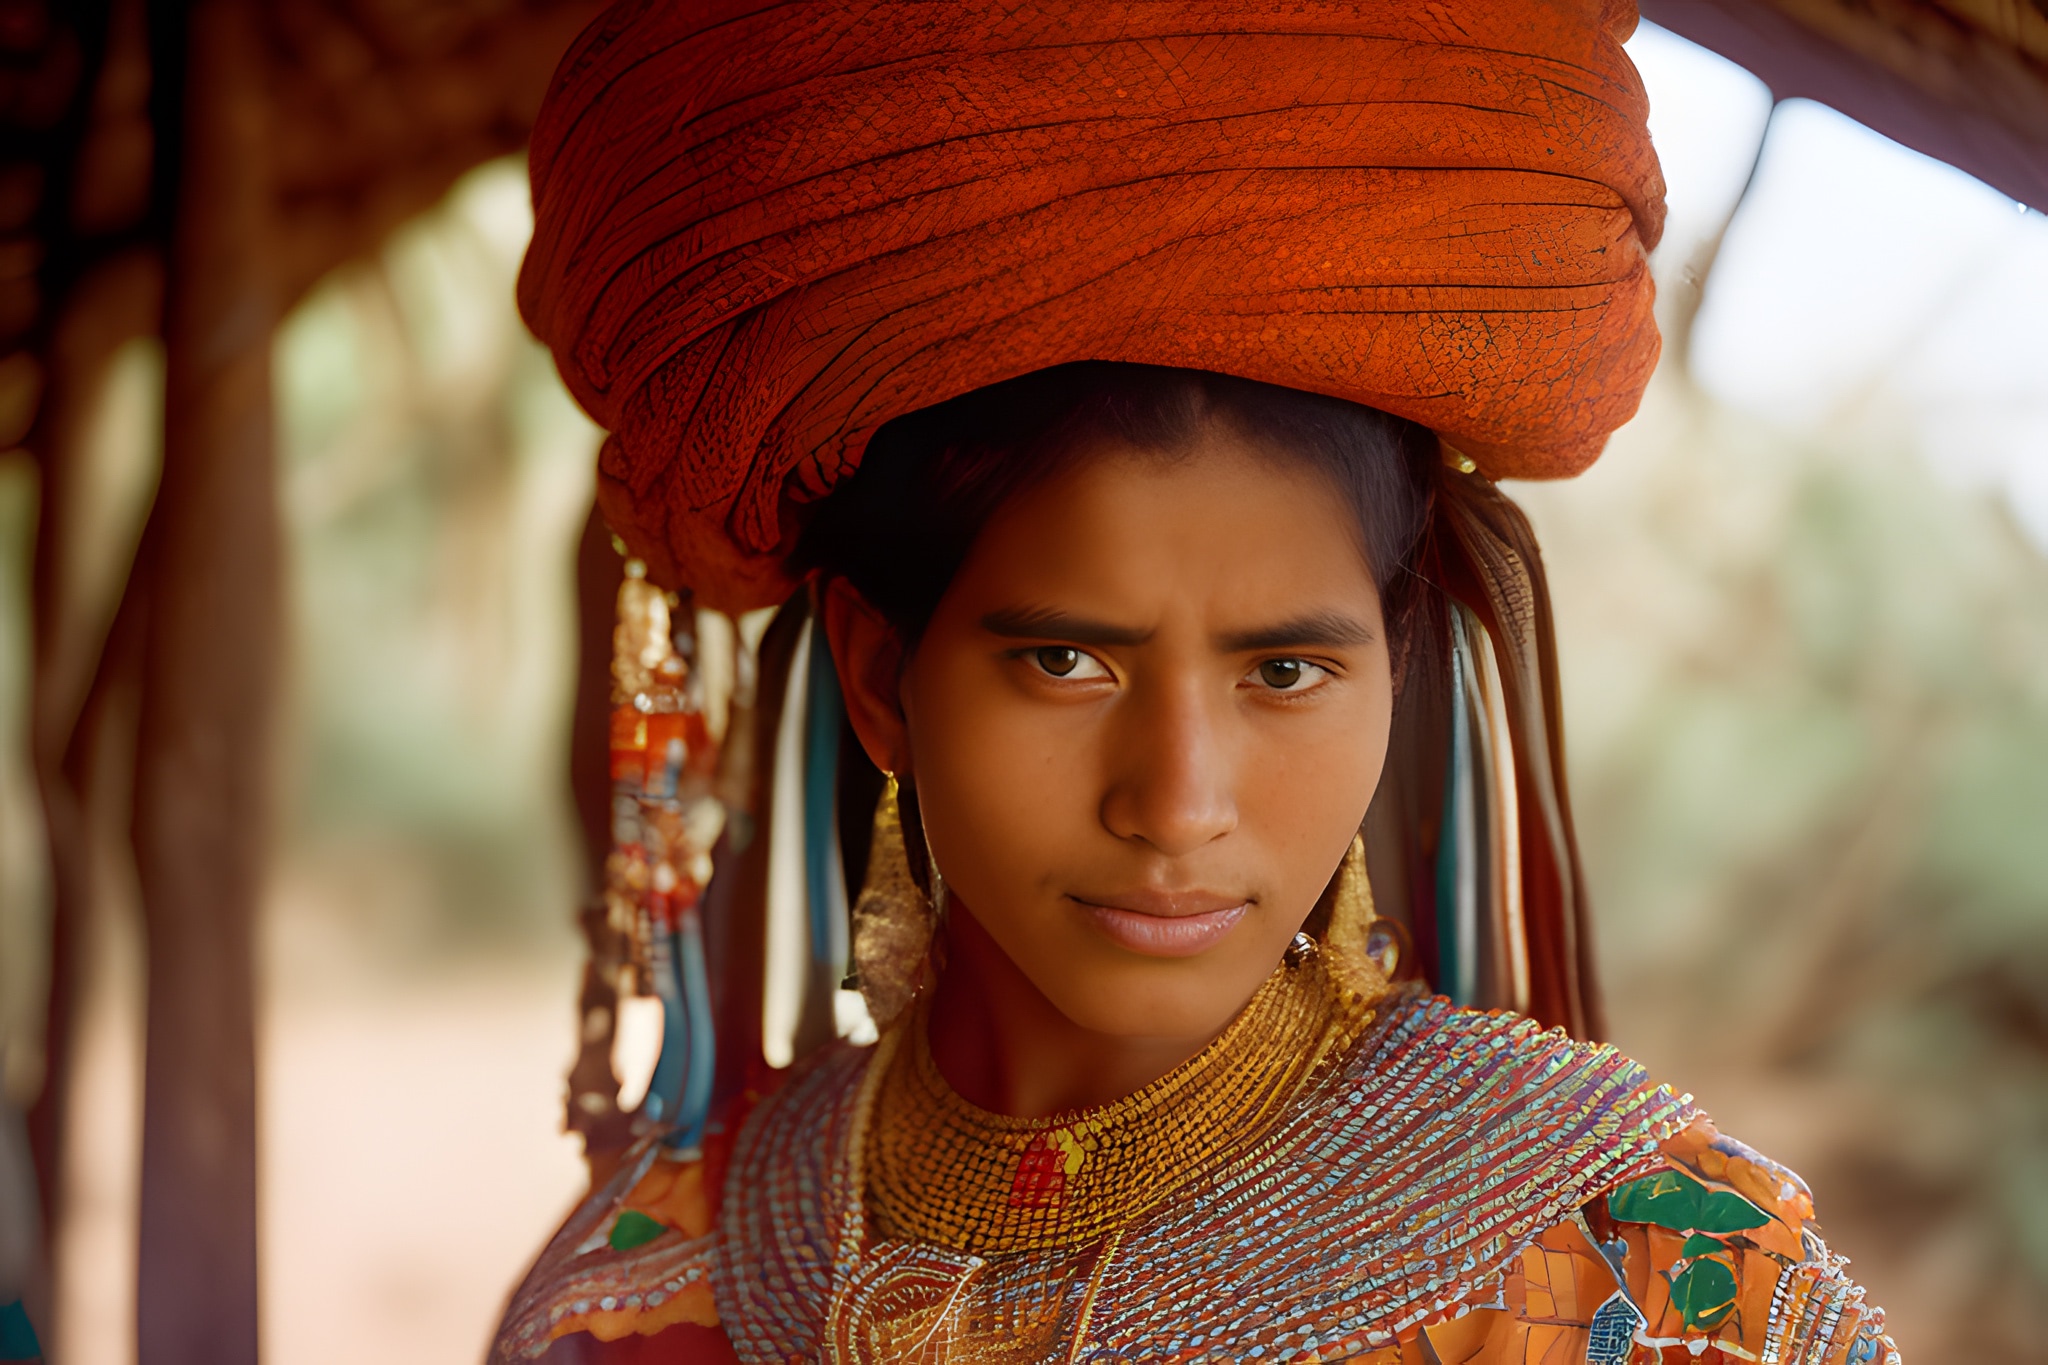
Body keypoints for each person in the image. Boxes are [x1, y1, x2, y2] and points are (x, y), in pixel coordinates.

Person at [492, 3, 1901, 1362]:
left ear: (1393, 670)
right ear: (879, 674)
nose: (1177, 803)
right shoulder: (634, 1288)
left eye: (1285, 669)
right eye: (1064, 659)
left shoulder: (1650, 1282)